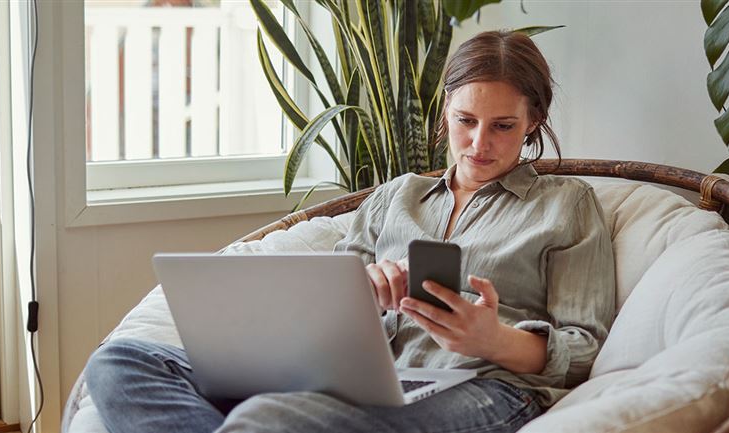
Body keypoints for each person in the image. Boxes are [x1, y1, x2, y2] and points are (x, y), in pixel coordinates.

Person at [83, 30, 616, 433]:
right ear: (445, 111)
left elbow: (586, 347)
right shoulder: (396, 195)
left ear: (534, 120)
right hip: (364, 377)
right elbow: (328, 302)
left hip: (487, 387)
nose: (479, 143)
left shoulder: (567, 206)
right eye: (465, 120)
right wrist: (364, 290)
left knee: (269, 417)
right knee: (121, 361)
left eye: (503, 126)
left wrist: (494, 338)